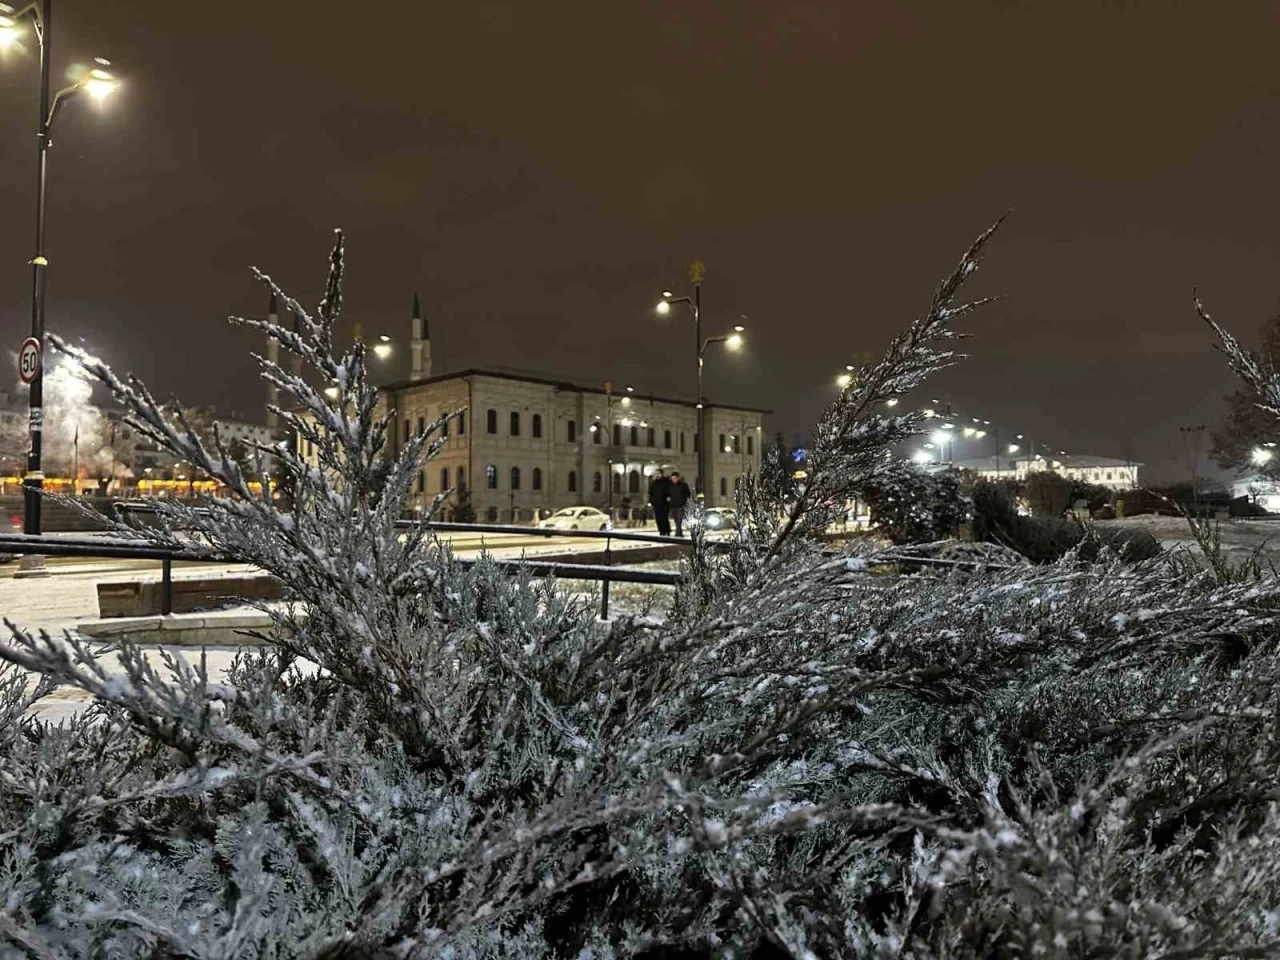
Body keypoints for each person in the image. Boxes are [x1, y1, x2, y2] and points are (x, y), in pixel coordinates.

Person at [667, 470, 692, 537]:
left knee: (679, 520)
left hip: (680, 506)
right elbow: (667, 494)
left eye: (675, 478)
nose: (673, 480)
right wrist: (668, 499)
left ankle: (677, 534)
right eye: (672, 478)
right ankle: (679, 533)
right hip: (672, 506)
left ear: (678, 478)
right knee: (676, 520)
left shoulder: (683, 485)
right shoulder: (670, 486)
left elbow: (688, 494)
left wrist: (683, 500)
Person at [648, 468, 671, 536]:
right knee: (658, 519)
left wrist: (668, 497)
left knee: (664, 518)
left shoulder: (666, 482)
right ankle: (661, 531)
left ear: (662, 474)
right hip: (656, 503)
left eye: (658, 473)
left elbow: (669, 491)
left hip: (664, 503)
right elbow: (650, 493)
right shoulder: (654, 483)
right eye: (656, 474)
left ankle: (667, 530)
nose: (657, 475)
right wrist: (651, 501)